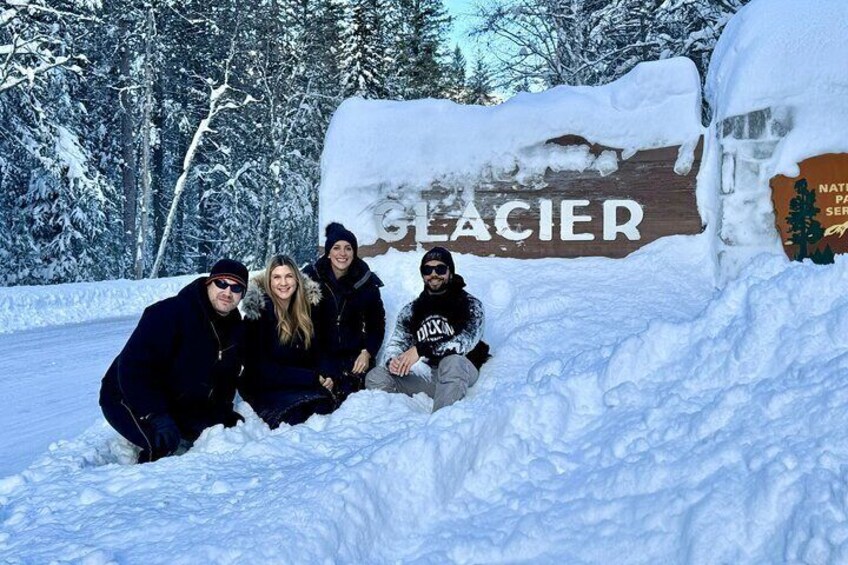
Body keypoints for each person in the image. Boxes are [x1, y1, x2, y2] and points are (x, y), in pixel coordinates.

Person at [99, 259, 249, 463]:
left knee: (211, 433)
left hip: (176, 402)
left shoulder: (233, 327)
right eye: (221, 283)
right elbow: (133, 369)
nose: (227, 292)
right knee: (164, 443)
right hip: (126, 397)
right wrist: (156, 415)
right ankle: (140, 483)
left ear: (242, 294)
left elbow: (226, 376)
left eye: (236, 287)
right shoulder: (169, 313)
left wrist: (222, 412)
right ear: (209, 283)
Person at [365, 246, 490, 412]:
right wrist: (393, 361)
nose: (434, 274)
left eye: (440, 268)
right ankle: (401, 422)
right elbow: (397, 342)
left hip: (460, 370)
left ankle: (440, 427)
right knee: (376, 376)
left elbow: (464, 342)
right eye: (427, 269)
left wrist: (420, 349)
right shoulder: (411, 310)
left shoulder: (471, 304)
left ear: (450, 272)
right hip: (428, 375)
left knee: (452, 361)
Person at [239, 254, 336, 428]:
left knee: (323, 407)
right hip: (266, 386)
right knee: (295, 417)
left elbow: (321, 349)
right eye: (277, 277)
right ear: (269, 281)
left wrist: (326, 373)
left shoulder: (308, 310)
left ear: (297, 280)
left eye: (289, 276)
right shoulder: (258, 315)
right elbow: (259, 368)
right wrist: (311, 377)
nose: (283, 283)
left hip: (300, 383)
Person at [303, 222, 386, 404]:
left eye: (348, 248)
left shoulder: (366, 282)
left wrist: (368, 352)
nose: (342, 254)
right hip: (320, 352)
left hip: (354, 355)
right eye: (336, 248)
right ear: (328, 252)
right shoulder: (311, 279)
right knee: (322, 392)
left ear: (354, 252)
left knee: (353, 396)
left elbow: (376, 324)